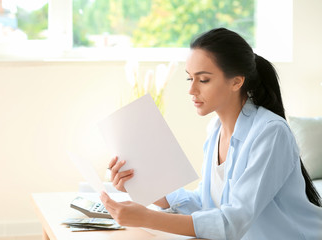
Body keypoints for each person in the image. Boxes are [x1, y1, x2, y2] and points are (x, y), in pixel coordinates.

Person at [100, 28, 322, 239]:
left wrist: (147, 218)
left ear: (237, 81)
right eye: (190, 78)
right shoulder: (215, 130)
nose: (191, 89)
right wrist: (145, 187)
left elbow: (231, 222)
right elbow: (207, 204)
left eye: (203, 79)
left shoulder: (271, 133)